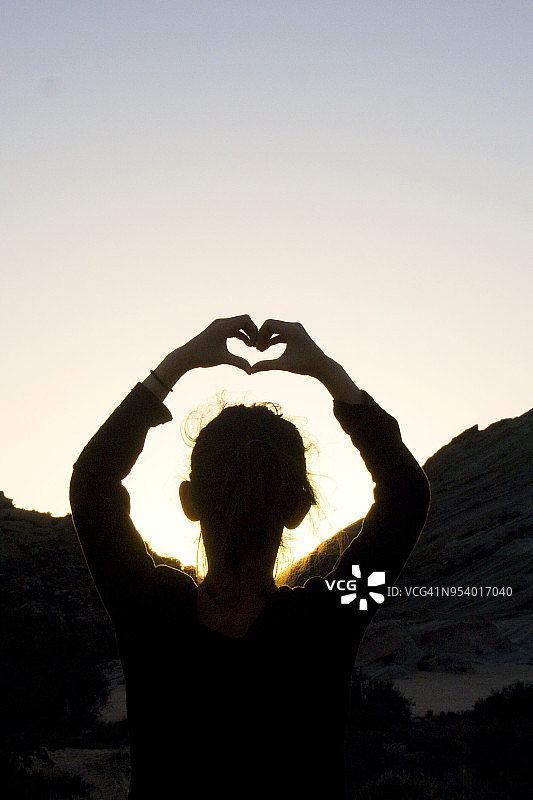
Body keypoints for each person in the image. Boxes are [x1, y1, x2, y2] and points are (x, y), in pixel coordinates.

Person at [69, 315, 430, 800]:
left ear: (188, 501)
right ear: (300, 509)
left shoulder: (149, 612)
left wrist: (178, 364)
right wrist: (327, 372)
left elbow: (92, 482)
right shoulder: (327, 620)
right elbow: (407, 495)